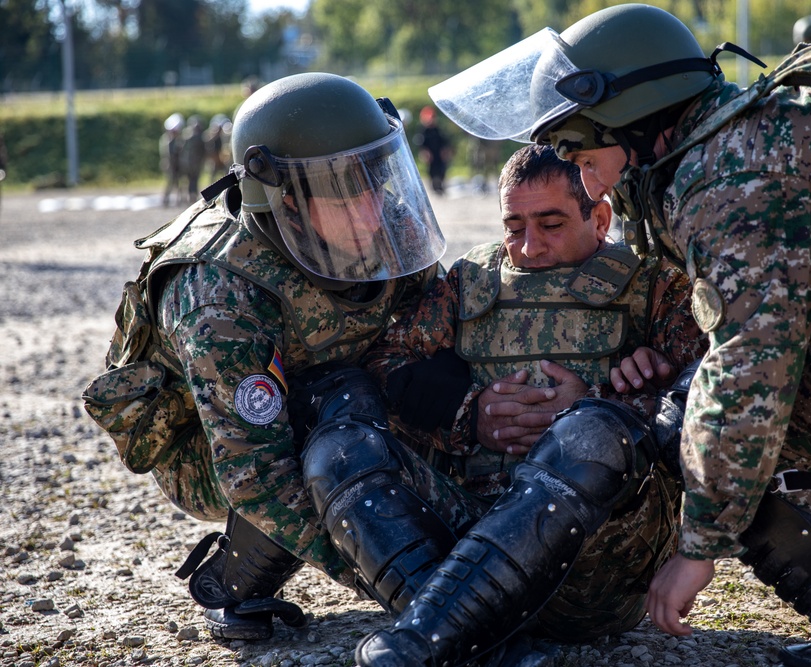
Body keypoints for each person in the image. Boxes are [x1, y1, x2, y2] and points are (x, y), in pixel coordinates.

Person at [428, 4, 811, 667]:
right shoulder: (744, 133)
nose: (575, 167)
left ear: (633, 120)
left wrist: (697, 549)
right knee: (749, 395)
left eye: (579, 148)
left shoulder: (731, 174)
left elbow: (749, 371)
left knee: (708, 418)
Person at [302, 143, 705, 666]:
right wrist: (470, 415)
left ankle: (425, 641)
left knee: (593, 433)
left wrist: (612, 401)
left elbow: (713, 398)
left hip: (595, 563)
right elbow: (385, 366)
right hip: (459, 553)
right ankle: (468, 642)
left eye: (551, 224)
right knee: (339, 449)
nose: (529, 247)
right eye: (514, 227)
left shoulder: (652, 285)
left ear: (600, 218)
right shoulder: (471, 281)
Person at [82, 72, 446, 642]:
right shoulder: (217, 293)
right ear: (287, 202)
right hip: (215, 446)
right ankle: (233, 577)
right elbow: (256, 476)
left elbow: (444, 324)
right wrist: (404, 576)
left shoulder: (384, 221)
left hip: (344, 392)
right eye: (345, 188)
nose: (374, 207)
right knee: (328, 413)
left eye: (375, 176)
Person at [413, 105, 452, 195]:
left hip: (439, 153)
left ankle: (441, 185)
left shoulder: (438, 129)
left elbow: (445, 140)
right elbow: (420, 143)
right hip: (431, 155)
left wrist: (446, 150)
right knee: (432, 171)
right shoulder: (423, 130)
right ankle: (435, 186)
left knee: (442, 169)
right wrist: (424, 152)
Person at [159, 112, 185, 207]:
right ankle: (165, 200)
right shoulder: (167, 140)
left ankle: (180, 200)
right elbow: (169, 154)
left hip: (176, 164)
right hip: (170, 164)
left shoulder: (176, 140)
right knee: (170, 183)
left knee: (179, 183)